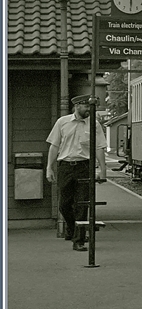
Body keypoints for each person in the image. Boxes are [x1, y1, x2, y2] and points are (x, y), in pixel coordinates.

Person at [46, 94, 95, 250]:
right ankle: (73, 230)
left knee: (82, 204)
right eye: (86, 106)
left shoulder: (93, 123)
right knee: (64, 204)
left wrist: (101, 168)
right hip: (65, 166)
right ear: (77, 106)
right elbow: (54, 146)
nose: (89, 109)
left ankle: (78, 240)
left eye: (89, 106)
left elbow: (99, 147)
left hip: (84, 166)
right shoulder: (62, 122)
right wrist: (49, 167)